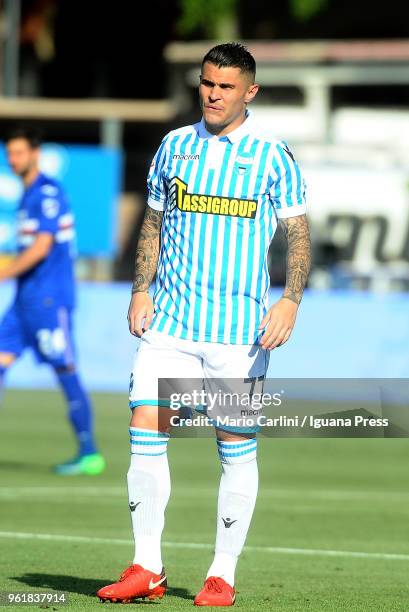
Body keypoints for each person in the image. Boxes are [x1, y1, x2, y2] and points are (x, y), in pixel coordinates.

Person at [97, 42, 311, 605]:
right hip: (170, 323)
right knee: (146, 425)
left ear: (250, 92)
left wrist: (289, 300)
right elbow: (154, 219)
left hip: (240, 335)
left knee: (234, 444)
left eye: (226, 86)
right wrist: (140, 288)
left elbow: (297, 233)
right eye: (207, 83)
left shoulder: (271, 155)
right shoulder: (175, 146)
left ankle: (222, 574)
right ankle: (147, 567)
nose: (214, 94)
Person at [0, 126, 105, 476]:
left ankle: (89, 451)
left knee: (65, 370)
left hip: (49, 300)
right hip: (23, 302)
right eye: (10, 153)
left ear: (35, 153)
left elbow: (42, 247)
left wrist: (5, 272)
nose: (14, 160)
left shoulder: (47, 191)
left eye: (19, 153)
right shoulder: (27, 194)